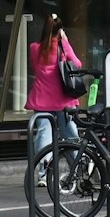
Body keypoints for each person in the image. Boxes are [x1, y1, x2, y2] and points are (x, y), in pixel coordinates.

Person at [27, 14, 84, 156]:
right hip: (64, 100)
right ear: (60, 31)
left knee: (44, 134)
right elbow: (77, 65)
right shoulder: (63, 47)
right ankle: (77, 166)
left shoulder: (34, 48)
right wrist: (65, 41)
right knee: (70, 136)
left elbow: (35, 68)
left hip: (42, 99)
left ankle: (43, 168)